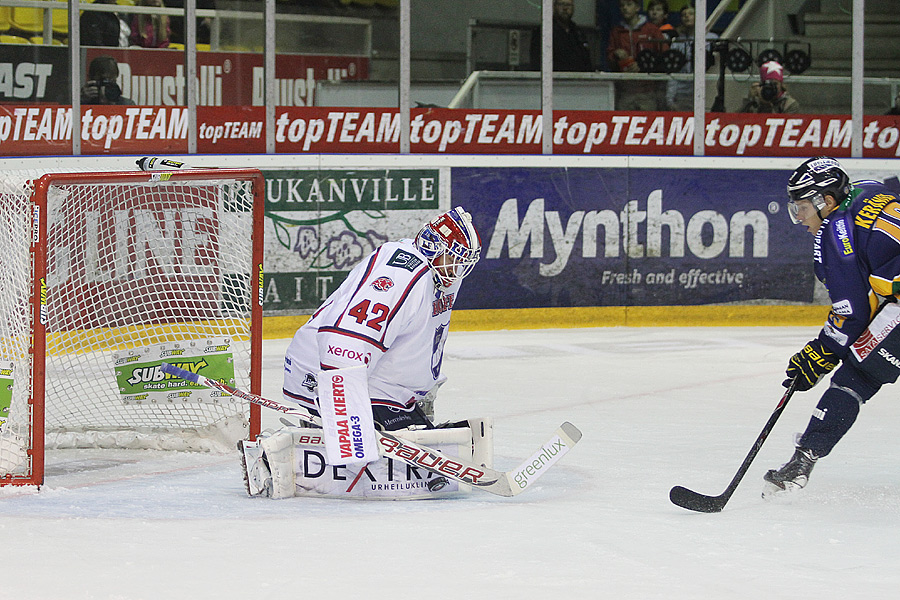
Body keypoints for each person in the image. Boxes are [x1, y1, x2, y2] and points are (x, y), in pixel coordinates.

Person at [763, 157, 900, 497]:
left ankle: (801, 463)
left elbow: (851, 314)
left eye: (802, 208)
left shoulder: (835, 234)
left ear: (825, 200)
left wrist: (821, 352)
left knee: (857, 375)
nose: (800, 218)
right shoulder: (871, 190)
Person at [281, 206, 481, 432]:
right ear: (432, 246)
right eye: (454, 258)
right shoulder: (403, 272)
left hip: (380, 385)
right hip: (329, 372)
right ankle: (305, 451)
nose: (458, 269)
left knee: (423, 451)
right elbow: (348, 339)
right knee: (398, 464)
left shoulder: (441, 274)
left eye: (464, 262)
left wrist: (424, 385)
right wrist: (345, 412)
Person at [607, 0, 667, 110]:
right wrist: (615, 54)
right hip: (625, 91)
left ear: (637, 7)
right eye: (622, 5)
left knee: (648, 124)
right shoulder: (616, 31)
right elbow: (609, 58)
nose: (625, 8)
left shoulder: (651, 30)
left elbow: (663, 56)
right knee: (623, 124)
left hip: (648, 91)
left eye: (629, 4)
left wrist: (643, 66)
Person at [665, 3, 717, 111]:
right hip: (682, 94)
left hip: (707, 90)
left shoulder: (712, 39)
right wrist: (670, 98)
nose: (687, 16)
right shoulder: (677, 42)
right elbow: (674, 72)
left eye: (691, 13)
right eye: (684, 15)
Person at [530, 0, 594, 72]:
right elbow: (537, 63)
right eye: (561, 4)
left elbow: (586, 62)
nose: (565, 8)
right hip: (554, 80)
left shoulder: (578, 32)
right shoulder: (544, 31)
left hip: (578, 80)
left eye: (568, 5)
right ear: (554, 7)